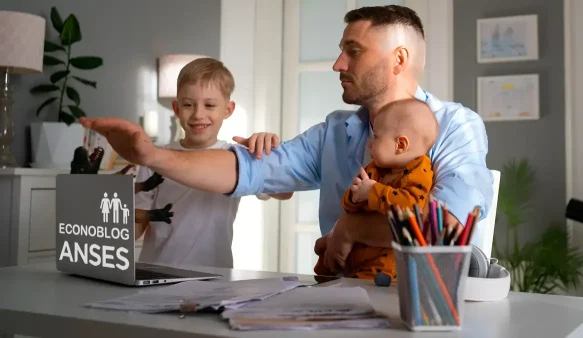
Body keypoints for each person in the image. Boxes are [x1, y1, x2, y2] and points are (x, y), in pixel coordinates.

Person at [80, 5, 493, 275]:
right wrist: (153, 155)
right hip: (336, 299)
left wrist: (352, 228)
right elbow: (248, 170)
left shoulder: (456, 126)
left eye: (353, 51)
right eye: (339, 50)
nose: (337, 64)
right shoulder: (335, 130)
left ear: (398, 60)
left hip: (416, 308)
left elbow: (446, 231)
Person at [134, 57, 291, 269]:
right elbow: (135, 226)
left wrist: (268, 152)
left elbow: (284, 192)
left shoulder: (239, 157)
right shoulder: (154, 158)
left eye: (209, 105)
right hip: (156, 273)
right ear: (177, 108)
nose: (199, 114)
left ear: (228, 109)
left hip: (214, 276)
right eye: (188, 104)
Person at [314, 99, 438, 280]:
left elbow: (412, 207)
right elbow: (350, 204)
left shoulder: (419, 169)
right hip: (356, 251)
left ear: (400, 145)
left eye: (377, 137)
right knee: (325, 257)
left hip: (384, 263)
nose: (370, 144)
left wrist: (372, 192)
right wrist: (353, 198)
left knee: (362, 286)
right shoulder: (376, 168)